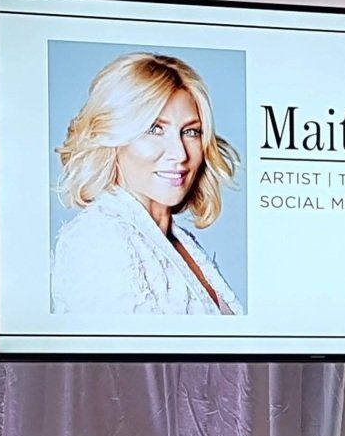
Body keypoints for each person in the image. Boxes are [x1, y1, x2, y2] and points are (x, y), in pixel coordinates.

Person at [49, 51, 241, 315]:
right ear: (114, 136)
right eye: (154, 129)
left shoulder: (182, 242)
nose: (180, 154)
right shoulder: (97, 240)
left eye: (190, 131)